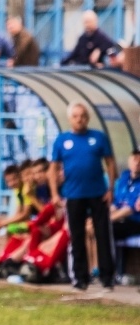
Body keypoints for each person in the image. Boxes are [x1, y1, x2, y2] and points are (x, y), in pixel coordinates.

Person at [49, 102, 117, 292]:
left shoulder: (99, 138)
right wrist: (55, 194)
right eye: (76, 116)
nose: (80, 119)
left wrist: (110, 188)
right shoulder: (62, 141)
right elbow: (52, 169)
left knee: (103, 235)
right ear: (70, 119)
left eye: (83, 116)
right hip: (73, 195)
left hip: (98, 194)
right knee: (76, 236)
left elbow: (110, 164)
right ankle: (80, 277)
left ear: (88, 118)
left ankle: (107, 277)